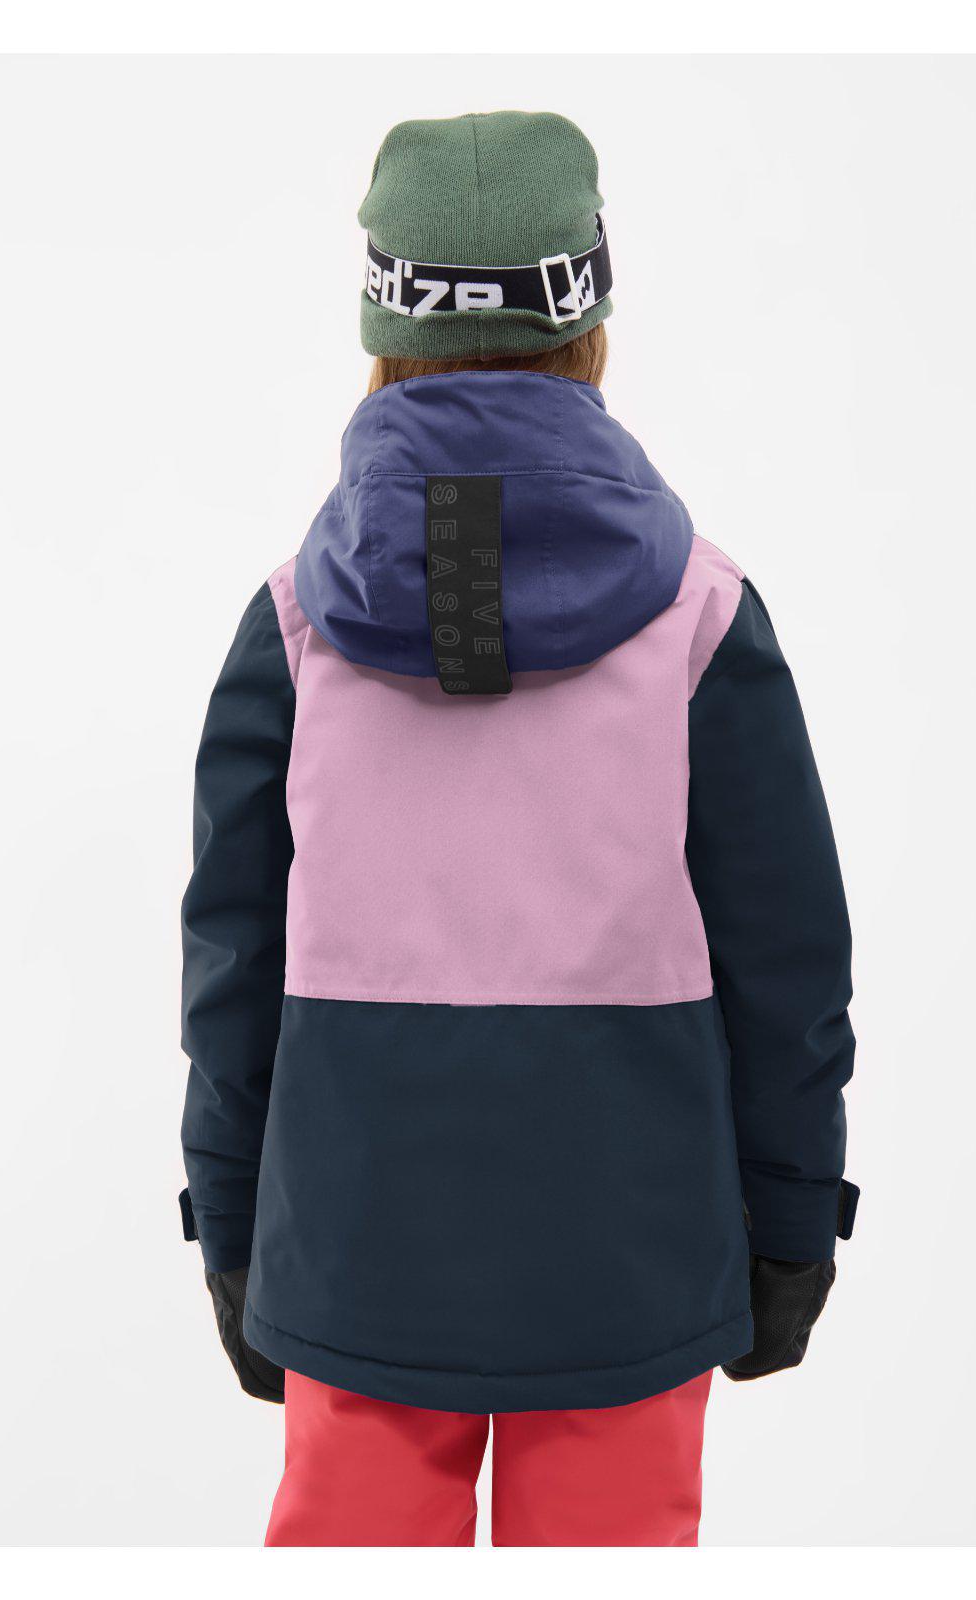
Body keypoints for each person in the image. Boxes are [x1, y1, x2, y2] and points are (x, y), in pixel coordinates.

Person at [178, 110, 858, 1547]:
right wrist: (795, 1218)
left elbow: (231, 970)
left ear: (385, 326)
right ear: (588, 319)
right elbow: (789, 963)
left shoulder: (293, 628)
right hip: (630, 1265)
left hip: (355, 1253)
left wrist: (232, 1226)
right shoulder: (703, 619)